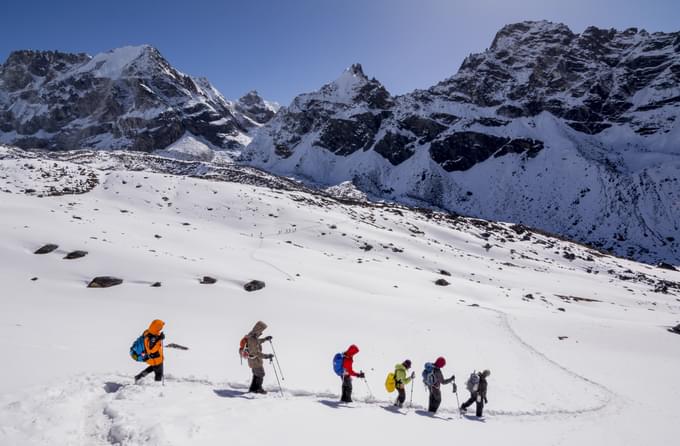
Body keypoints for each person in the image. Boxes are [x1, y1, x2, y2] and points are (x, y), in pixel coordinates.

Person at [245, 321, 273, 394]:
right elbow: (255, 352)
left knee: (256, 374)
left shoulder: (252, 336)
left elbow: (257, 342)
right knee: (261, 373)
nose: (262, 331)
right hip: (255, 360)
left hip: (253, 360)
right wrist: (267, 356)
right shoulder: (252, 338)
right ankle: (258, 389)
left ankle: (253, 388)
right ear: (258, 329)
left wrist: (265, 339)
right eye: (262, 330)